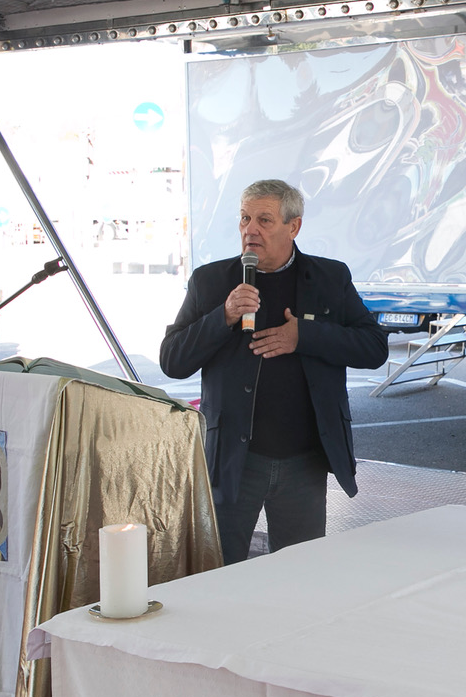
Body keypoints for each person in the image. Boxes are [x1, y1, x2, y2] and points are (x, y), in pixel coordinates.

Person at [160, 179, 388, 564]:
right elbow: (172, 360)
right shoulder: (211, 281)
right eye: (245, 218)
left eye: (264, 220)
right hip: (233, 462)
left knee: (298, 578)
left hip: (304, 462)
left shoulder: (330, 279)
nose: (250, 230)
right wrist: (224, 316)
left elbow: (374, 348)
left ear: (294, 226)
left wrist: (306, 335)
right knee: (220, 572)